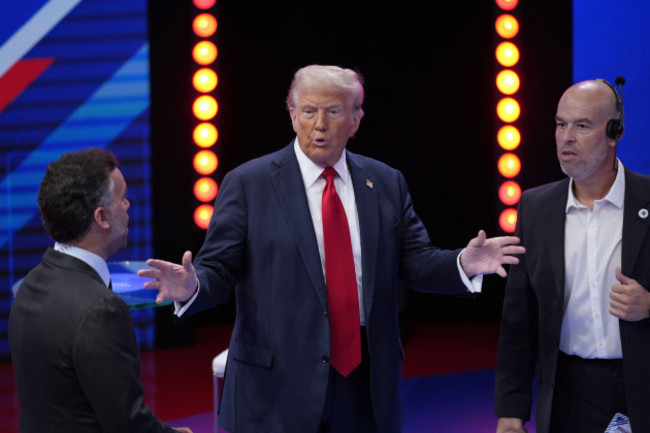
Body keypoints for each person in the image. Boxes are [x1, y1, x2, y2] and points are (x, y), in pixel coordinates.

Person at [139, 64, 524, 433]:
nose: (319, 125)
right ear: (292, 115)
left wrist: (463, 263)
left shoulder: (385, 182)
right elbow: (218, 270)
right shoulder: (248, 184)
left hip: (365, 383)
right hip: (277, 387)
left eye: (333, 111)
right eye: (308, 111)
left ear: (356, 119)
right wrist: (192, 287)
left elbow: (416, 261)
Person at [494, 79, 650, 433]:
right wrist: (511, 410)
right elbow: (519, 320)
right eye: (560, 124)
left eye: (582, 126)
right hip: (568, 393)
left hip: (640, 384)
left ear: (615, 132)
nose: (566, 137)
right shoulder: (535, 207)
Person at [8, 148, 191, 433]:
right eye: (122, 198)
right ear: (102, 217)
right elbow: (127, 425)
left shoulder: (30, 284)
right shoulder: (101, 310)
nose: (128, 205)